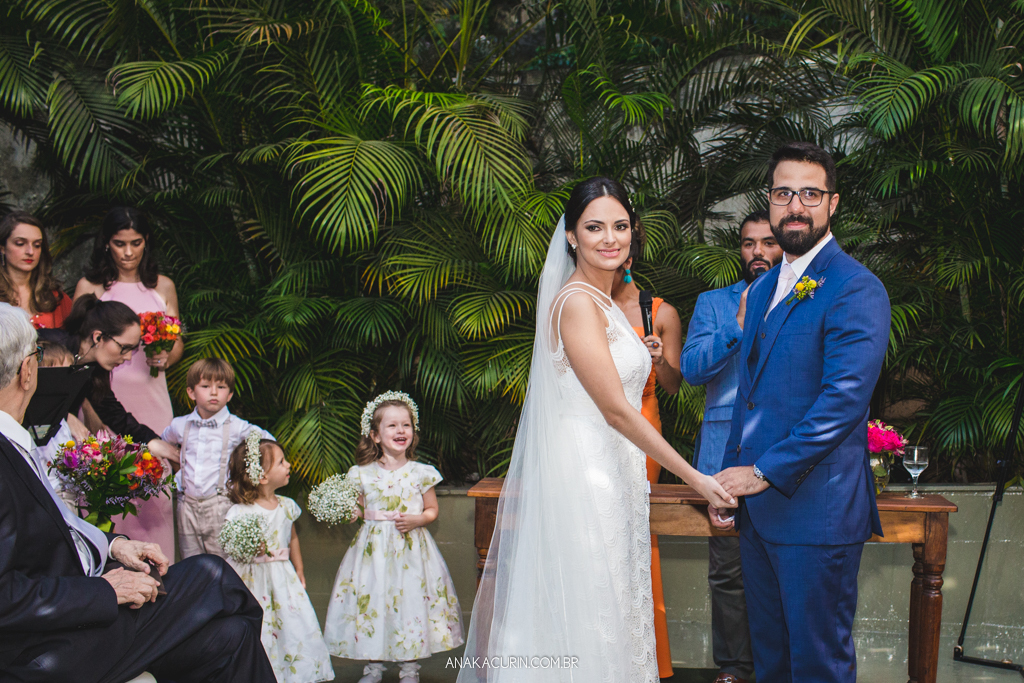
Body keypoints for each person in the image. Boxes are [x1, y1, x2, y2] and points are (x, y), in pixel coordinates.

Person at [459, 178, 735, 683]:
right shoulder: (578, 303)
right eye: (594, 227)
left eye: (620, 225)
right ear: (570, 236)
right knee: (589, 612)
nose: (610, 237)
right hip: (584, 483)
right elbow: (616, 410)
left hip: (617, 478)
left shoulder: (608, 303)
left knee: (616, 611)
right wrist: (696, 478)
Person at [0, 302, 276, 683]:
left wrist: (114, 547)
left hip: (66, 617)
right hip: (43, 646)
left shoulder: (15, 442)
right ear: (27, 371)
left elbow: (55, 528)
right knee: (212, 575)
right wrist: (103, 591)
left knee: (231, 636)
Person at [711, 142, 890, 683]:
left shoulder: (856, 287)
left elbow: (842, 402)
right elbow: (749, 396)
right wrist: (727, 483)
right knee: (771, 663)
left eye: (810, 193)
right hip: (759, 516)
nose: (796, 205)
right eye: (784, 192)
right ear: (769, 201)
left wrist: (761, 472)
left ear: (832, 203)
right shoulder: (763, 285)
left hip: (818, 513)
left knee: (817, 665)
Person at [681, 209, 782, 683]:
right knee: (727, 572)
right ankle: (734, 669)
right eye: (748, 244)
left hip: (784, 457)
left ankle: (776, 669)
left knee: (784, 570)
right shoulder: (713, 303)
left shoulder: (802, 297)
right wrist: (737, 325)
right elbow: (692, 369)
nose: (758, 252)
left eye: (767, 242)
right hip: (722, 455)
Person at [324, 392, 463, 683]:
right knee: (373, 600)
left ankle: (409, 667)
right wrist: (345, 511)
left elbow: (432, 510)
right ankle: (373, 666)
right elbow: (359, 510)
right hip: (372, 551)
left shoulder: (421, 473)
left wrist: (418, 519)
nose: (401, 431)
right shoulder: (360, 474)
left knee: (409, 601)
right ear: (374, 435)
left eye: (406, 425)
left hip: (411, 550)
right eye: (392, 426)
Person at [75, 206, 182, 553]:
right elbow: (78, 347)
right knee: (103, 481)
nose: (128, 252)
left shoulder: (162, 285)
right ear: (107, 244)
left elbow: (177, 341)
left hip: (151, 396)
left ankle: (160, 570)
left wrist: (166, 356)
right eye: (120, 243)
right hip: (103, 396)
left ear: (146, 242)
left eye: (136, 243)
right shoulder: (91, 286)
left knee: (156, 486)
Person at [610, 243, 682, 679]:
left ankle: (646, 657)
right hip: (594, 426)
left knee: (636, 529)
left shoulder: (659, 311)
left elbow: (674, 385)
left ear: (631, 260)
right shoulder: (583, 304)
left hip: (644, 424)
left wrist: (658, 359)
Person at [223, 434, 335, 683]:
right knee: (261, 627)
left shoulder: (287, 506)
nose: (289, 466)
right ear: (262, 476)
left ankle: (292, 674)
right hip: (253, 580)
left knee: (291, 625)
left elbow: (292, 538)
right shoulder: (240, 512)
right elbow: (231, 546)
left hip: (283, 579)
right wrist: (250, 549)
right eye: (282, 462)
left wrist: (300, 568)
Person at [163, 358, 274, 559]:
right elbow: (163, 443)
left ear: (229, 394)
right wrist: (177, 469)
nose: (213, 392)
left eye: (221, 387)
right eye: (205, 386)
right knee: (191, 563)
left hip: (220, 504)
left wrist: (247, 474)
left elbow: (268, 442)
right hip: (186, 505)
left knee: (224, 561)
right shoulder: (180, 425)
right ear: (191, 392)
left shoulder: (236, 426)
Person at [58, 295, 180, 467]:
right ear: (98, 337)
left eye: (133, 349)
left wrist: (151, 442)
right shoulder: (50, 348)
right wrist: (64, 417)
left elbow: (111, 411)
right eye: (124, 348)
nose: (128, 357)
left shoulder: (95, 367)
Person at [0, 211, 73, 329]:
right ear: (2, 248)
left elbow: (74, 343)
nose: (30, 251)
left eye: (37, 245)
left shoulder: (56, 298)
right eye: (20, 243)